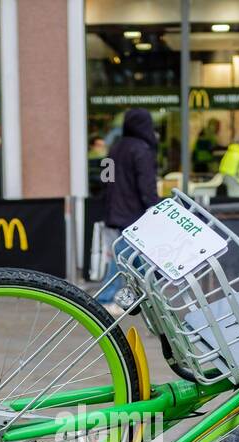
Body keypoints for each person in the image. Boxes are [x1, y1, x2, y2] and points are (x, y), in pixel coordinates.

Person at [98, 107, 159, 312]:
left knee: (124, 256)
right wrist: (154, 206)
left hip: (114, 210)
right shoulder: (142, 149)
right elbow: (146, 185)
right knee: (124, 259)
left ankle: (147, 296)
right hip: (132, 212)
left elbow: (106, 178)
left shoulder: (116, 147)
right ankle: (107, 299)